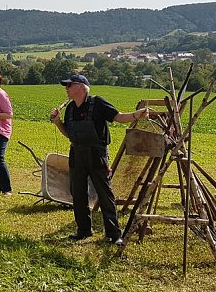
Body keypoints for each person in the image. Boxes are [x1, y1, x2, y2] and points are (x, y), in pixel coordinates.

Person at [49, 74, 149, 245]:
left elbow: (119, 117)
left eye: (69, 85)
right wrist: (58, 122)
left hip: (97, 154)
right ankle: (83, 230)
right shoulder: (71, 108)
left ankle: (113, 234)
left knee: (104, 194)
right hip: (77, 154)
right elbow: (70, 134)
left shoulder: (98, 103)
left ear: (81, 87)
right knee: (78, 194)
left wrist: (136, 115)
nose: (66, 88)